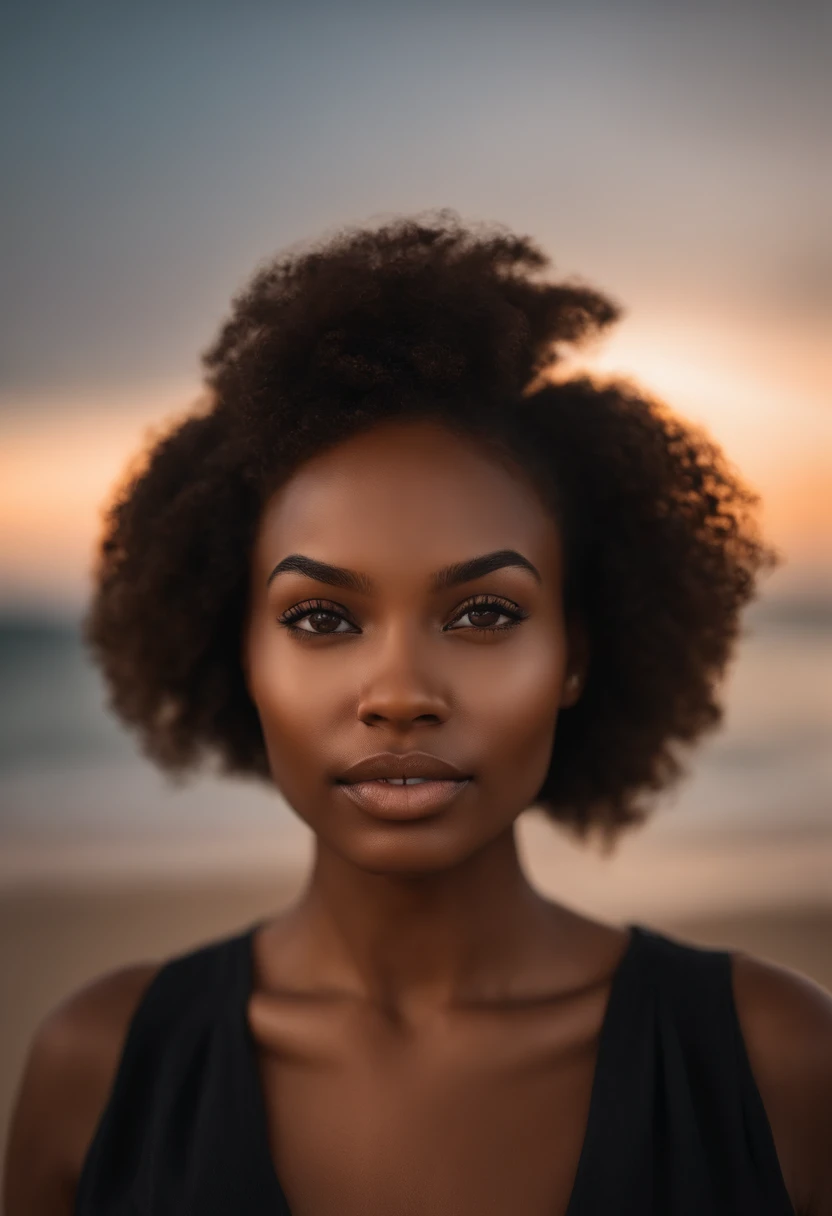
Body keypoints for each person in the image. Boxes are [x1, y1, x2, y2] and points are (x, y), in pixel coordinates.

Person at [4, 211, 831, 1215]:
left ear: (576, 653)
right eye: (319, 616)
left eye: (484, 612)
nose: (399, 693)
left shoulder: (777, 1061)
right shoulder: (98, 1072)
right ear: (241, 655)